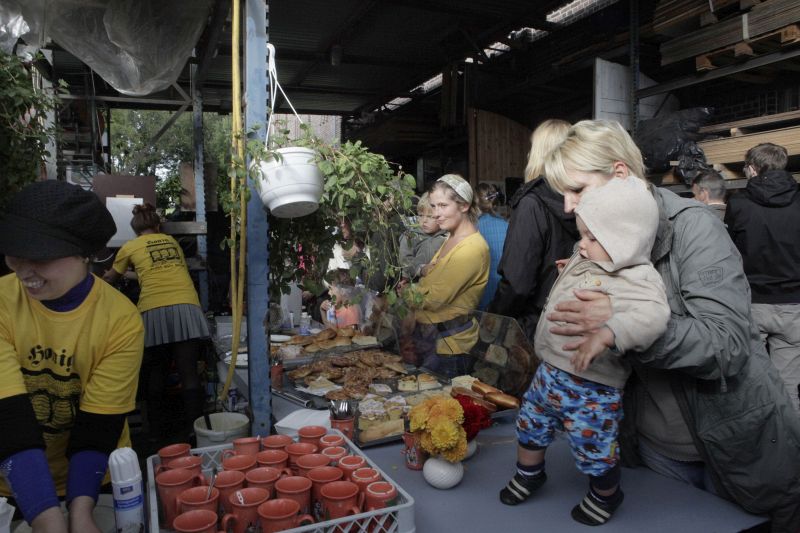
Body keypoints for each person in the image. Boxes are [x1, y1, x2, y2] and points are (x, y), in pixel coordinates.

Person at [542, 119, 800, 531]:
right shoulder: (598, 233)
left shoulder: (694, 228)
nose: (569, 206)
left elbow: (726, 344)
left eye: (578, 190)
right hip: (653, 446)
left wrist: (623, 323)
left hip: (731, 445)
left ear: (619, 173)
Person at [500, 176, 670, 525]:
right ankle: (529, 474)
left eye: (593, 237)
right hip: (549, 372)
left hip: (593, 387)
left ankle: (605, 494)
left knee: (594, 445)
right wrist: (569, 272)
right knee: (530, 424)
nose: (582, 244)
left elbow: (653, 317)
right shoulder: (587, 255)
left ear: (625, 240)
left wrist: (608, 332)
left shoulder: (638, 277)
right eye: (583, 235)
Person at [0, 180, 144, 533]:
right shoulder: (3, 302)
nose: (24, 270)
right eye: (15, 253)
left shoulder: (120, 319)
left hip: (93, 479)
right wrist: (47, 518)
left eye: (41, 256)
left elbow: (98, 428)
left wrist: (80, 514)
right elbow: (7, 418)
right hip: (13, 480)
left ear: (85, 255)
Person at [103, 203, 210, 445]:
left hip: (153, 308)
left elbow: (111, 278)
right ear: (158, 226)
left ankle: (156, 434)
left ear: (135, 230)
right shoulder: (171, 242)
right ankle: (196, 432)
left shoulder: (130, 246)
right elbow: (159, 271)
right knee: (188, 372)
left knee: (156, 372)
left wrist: (101, 275)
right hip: (185, 304)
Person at [725, 142, 800, 413]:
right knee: (788, 387)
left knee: (748, 382)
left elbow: (729, 253)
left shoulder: (738, 203)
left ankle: (753, 435)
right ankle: (790, 436)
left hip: (752, 303)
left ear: (753, 169)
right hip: (794, 305)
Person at [488, 119, 578, 343]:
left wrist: (492, 320)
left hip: (534, 329)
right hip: (571, 324)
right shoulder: (580, 199)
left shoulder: (532, 203)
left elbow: (517, 284)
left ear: (538, 153)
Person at [410, 174, 489, 378]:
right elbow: (429, 280)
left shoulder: (471, 248)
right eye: (433, 206)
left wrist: (405, 292)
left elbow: (435, 298)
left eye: (443, 206)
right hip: (433, 343)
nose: (436, 214)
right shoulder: (452, 238)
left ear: (464, 205)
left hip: (451, 348)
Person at [398, 192, 447, 282]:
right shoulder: (410, 236)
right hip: (413, 281)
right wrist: (421, 269)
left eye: (430, 216)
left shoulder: (447, 237)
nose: (424, 220)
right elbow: (405, 261)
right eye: (421, 215)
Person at [475, 183, 508, 310]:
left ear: (475, 203)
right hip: (503, 291)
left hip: (482, 292)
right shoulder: (507, 225)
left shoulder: (473, 229)